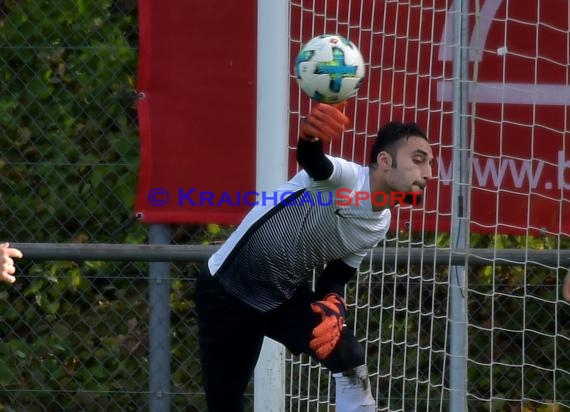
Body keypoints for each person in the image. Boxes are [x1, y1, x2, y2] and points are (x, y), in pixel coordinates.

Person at [195, 102, 434, 412]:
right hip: (226, 289)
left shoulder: (380, 223)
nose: (428, 173)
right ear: (385, 161)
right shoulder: (348, 180)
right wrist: (309, 135)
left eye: (429, 163)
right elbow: (313, 160)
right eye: (418, 160)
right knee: (225, 404)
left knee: (347, 355)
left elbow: (335, 277)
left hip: (282, 297)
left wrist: (334, 305)